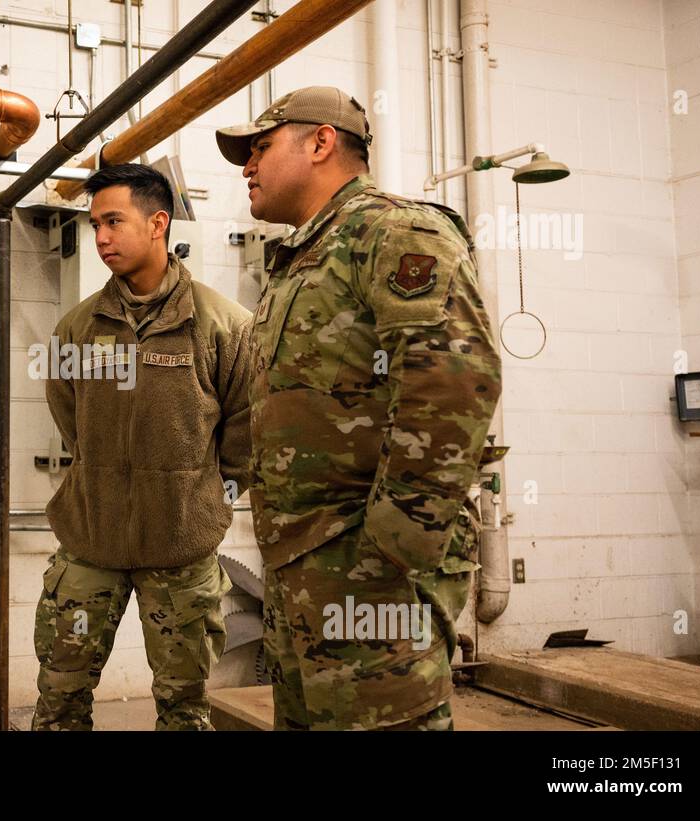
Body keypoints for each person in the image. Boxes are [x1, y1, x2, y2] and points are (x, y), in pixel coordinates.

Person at [215, 86, 502, 730]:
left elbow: (453, 380)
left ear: (321, 142)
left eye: (260, 147)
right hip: (303, 567)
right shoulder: (301, 259)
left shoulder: (393, 230)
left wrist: (394, 546)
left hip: (369, 571)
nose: (247, 166)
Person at [32, 163, 253, 730]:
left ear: (158, 222)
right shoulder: (78, 329)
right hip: (90, 541)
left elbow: (246, 429)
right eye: (94, 224)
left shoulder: (222, 325)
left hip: (181, 546)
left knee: (184, 706)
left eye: (113, 221)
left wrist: (204, 495)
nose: (101, 237)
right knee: (60, 695)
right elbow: (70, 420)